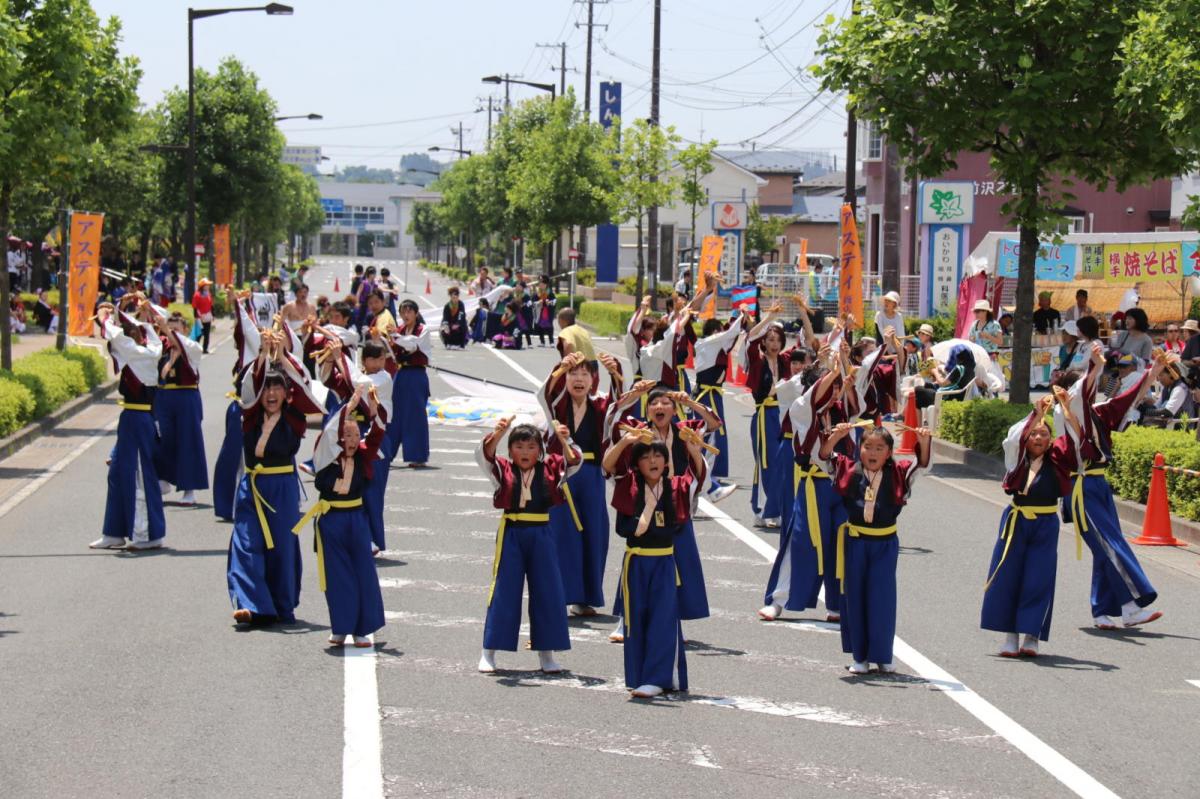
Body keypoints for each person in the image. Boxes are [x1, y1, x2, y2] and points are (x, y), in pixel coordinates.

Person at [1055, 342, 1172, 629]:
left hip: (1098, 484)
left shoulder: (1094, 411)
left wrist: (1153, 372)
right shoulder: (1064, 412)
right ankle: (1131, 606)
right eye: (1086, 385)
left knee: (1104, 548)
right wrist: (1095, 366)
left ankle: (1101, 610)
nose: (1091, 388)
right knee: (1110, 545)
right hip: (1081, 487)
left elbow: (1127, 400)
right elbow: (1081, 392)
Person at [606, 383, 722, 638]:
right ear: (647, 409)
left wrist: (690, 402)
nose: (659, 407)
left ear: (675, 409)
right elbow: (612, 421)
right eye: (653, 403)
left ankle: (672, 620)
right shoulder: (637, 430)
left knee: (680, 560)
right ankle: (625, 618)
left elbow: (714, 423)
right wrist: (634, 395)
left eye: (666, 403)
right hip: (643, 498)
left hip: (676, 497)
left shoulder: (685, 430)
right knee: (637, 556)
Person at [227, 329, 323, 627]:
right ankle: (250, 604)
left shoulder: (294, 416)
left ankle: (281, 605)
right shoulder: (251, 414)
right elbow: (247, 386)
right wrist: (262, 355)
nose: (271, 394)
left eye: (277, 387)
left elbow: (304, 386)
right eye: (266, 388)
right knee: (246, 542)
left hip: (282, 486)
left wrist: (281, 355)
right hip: (253, 485)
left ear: (286, 392)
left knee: (282, 547)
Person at [820, 420, 932, 674]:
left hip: (885, 544)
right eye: (868, 447)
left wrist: (923, 441)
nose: (873, 453)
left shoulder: (900, 474)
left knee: (882, 598)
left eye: (880, 448)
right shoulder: (848, 469)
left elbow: (922, 463)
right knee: (855, 597)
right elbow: (824, 456)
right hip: (855, 542)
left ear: (889, 452)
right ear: (859, 449)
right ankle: (860, 657)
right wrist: (837, 436)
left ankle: (883, 655)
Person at [603, 428, 706, 698]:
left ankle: (658, 678)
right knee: (635, 620)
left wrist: (694, 450)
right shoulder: (628, 484)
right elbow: (607, 466)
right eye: (646, 456)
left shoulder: (676, 487)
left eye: (658, 456)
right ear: (637, 463)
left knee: (663, 619)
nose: (653, 461)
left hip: (663, 562)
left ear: (667, 462)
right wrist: (624, 442)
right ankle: (640, 676)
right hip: (635, 562)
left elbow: (698, 477)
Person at [477, 417, 581, 674]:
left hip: (541, 533)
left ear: (540, 450)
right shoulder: (502, 469)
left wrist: (564, 438)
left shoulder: (551, 468)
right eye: (519, 447)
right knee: (504, 591)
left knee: (548, 591)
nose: (525, 452)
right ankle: (489, 651)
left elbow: (575, 461)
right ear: (510, 450)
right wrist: (498, 434)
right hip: (512, 533)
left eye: (532, 447)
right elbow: (484, 456)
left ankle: (547, 654)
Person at [296, 385, 387, 647]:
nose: (352, 440)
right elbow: (328, 434)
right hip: (331, 519)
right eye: (347, 435)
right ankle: (341, 626)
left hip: (356, 519)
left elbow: (377, 434)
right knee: (336, 575)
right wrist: (349, 406)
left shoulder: (363, 455)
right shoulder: (325, 457)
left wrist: (373, 410)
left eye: (356, 435)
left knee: (363, 573)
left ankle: (362, 629)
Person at [980, 396, 1070, 657]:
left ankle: (1032, 635)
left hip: (1046, 523)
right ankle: (1010, 635)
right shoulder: (1016, 458)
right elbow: (1013, 439)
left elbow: (1074, 440)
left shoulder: (1058, 460)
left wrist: (1066, 407)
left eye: (1044, 434)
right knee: (1009, 576)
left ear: (1051, 440)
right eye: (1033, 434)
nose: (1038, 438)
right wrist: (1036, 414)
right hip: (1016, 520)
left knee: (1038, 578)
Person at [540, 350, 624, 616]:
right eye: (573, 374)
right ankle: (559, 595)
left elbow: (618, 405)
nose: (578, 379)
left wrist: (615, 373)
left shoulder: (599, 407)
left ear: (593, 379)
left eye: (584, 374)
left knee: (594, 534)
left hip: (592, 476)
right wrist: (559, 368)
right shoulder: (557, 406)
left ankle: (584, 598)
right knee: (561, 533)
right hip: (562, 476)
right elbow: (545, 394)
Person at [760, 360, 845, 622]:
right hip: (813, 486)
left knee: (841, 544)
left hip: (841, 486)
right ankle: (778, 599)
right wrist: (834, 371)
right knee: (800, 542)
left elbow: (861, 387)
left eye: (837, 386)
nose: (834, 392)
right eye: (830, 386)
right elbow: (813, 397)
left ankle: (837, 605)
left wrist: (844, 366)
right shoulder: (801, 408)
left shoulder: (839, 410)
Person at [89, 298, 167, 551]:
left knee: (140, 476)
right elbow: (140, 334)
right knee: (117, 473)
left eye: (128, 330)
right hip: (131, 418)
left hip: (138, 420)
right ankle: (114, 531)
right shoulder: (149, 346)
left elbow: (116, 336)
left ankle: (149, 534)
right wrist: (136, 316)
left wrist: (105, 317)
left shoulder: (138, 353)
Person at [152, 310, 208, 507]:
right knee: (163, 439)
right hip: (164, 397)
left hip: (187, 398)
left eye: (176, 330)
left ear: (185, 330)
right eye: (169, 330)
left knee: (187, 441)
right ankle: (163, 479)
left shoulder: (192, 348)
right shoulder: (162, 349)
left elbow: (183, 345)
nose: (171, 334)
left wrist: (167, 331)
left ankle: (189, 489)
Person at [214, 293, 260, 522]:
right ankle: (235, 504)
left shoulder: (258, 352)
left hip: (255, 411)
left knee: (250, 460)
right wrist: (238, 306)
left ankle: (245, 505)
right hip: (240, 408)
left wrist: (239, 306)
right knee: (234, 458)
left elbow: (247, 330)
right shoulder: (246, 355)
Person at [692, 313, 748, 501]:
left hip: (711, 395)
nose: (722, 334)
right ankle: (708, 486)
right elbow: (730, 335)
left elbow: (730, 337)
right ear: (713, 332)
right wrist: (742, 315)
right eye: (719, 331)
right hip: (707, 396)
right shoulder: (709, 343)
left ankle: (707, 483)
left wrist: (739, 319)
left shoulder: (709, 345)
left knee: (708, 439)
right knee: (708, 440)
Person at [743, 303, 787, 527]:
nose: (774, 344)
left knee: (783, 463)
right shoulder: (757, 360)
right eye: (770, 339)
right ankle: (762, 510)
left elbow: (811, 347)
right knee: (767, 463)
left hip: (783, 416)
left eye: (778, 340)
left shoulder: (785, 361)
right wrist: (769, 317)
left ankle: (774, 509)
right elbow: (750, 339)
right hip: (764, 416)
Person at [388, 299, 431, 467]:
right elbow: (393, 350)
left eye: (409, 312)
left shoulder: (423, 330)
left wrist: (396, 337)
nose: (405, 315)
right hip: (401, 374)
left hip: (416, 374)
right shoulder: (399, 330)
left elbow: (413, 344)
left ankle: (417, 456)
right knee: (395, 414)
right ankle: (387, 453)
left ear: (416, 313)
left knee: (415, 415)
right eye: (402, 312)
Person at [1139, 360, 1193, 426]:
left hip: (1181, 427)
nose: (1158, 379)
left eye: (1160, 375)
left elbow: (1168, 412)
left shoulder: (1180, 388)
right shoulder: (1166, 388)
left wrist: (1144, 410)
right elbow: (1156, 407)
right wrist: (1142, 405)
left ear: (1171, 374)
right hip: (1167, 423)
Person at [191, 278, 215, 353]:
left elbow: (211, 305)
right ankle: (196, 348)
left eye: (208, 285)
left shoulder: (208, 294)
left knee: (207, 334)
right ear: (202, 286)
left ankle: (205, 349)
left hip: (207, 317)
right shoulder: (197, 295)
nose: (208, 286)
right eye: (206, 285)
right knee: (199, 333)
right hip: (200, 317)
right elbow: (195, 307)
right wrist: (196, 317)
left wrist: (213, 314)